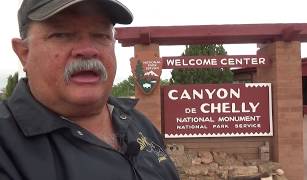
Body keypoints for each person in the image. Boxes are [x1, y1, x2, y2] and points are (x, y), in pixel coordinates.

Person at [0, 0, 180, 179]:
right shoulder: (6, 148)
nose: (87, 50)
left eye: (101, 35)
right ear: (24, 53)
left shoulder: (138, 122)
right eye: (62, 34)